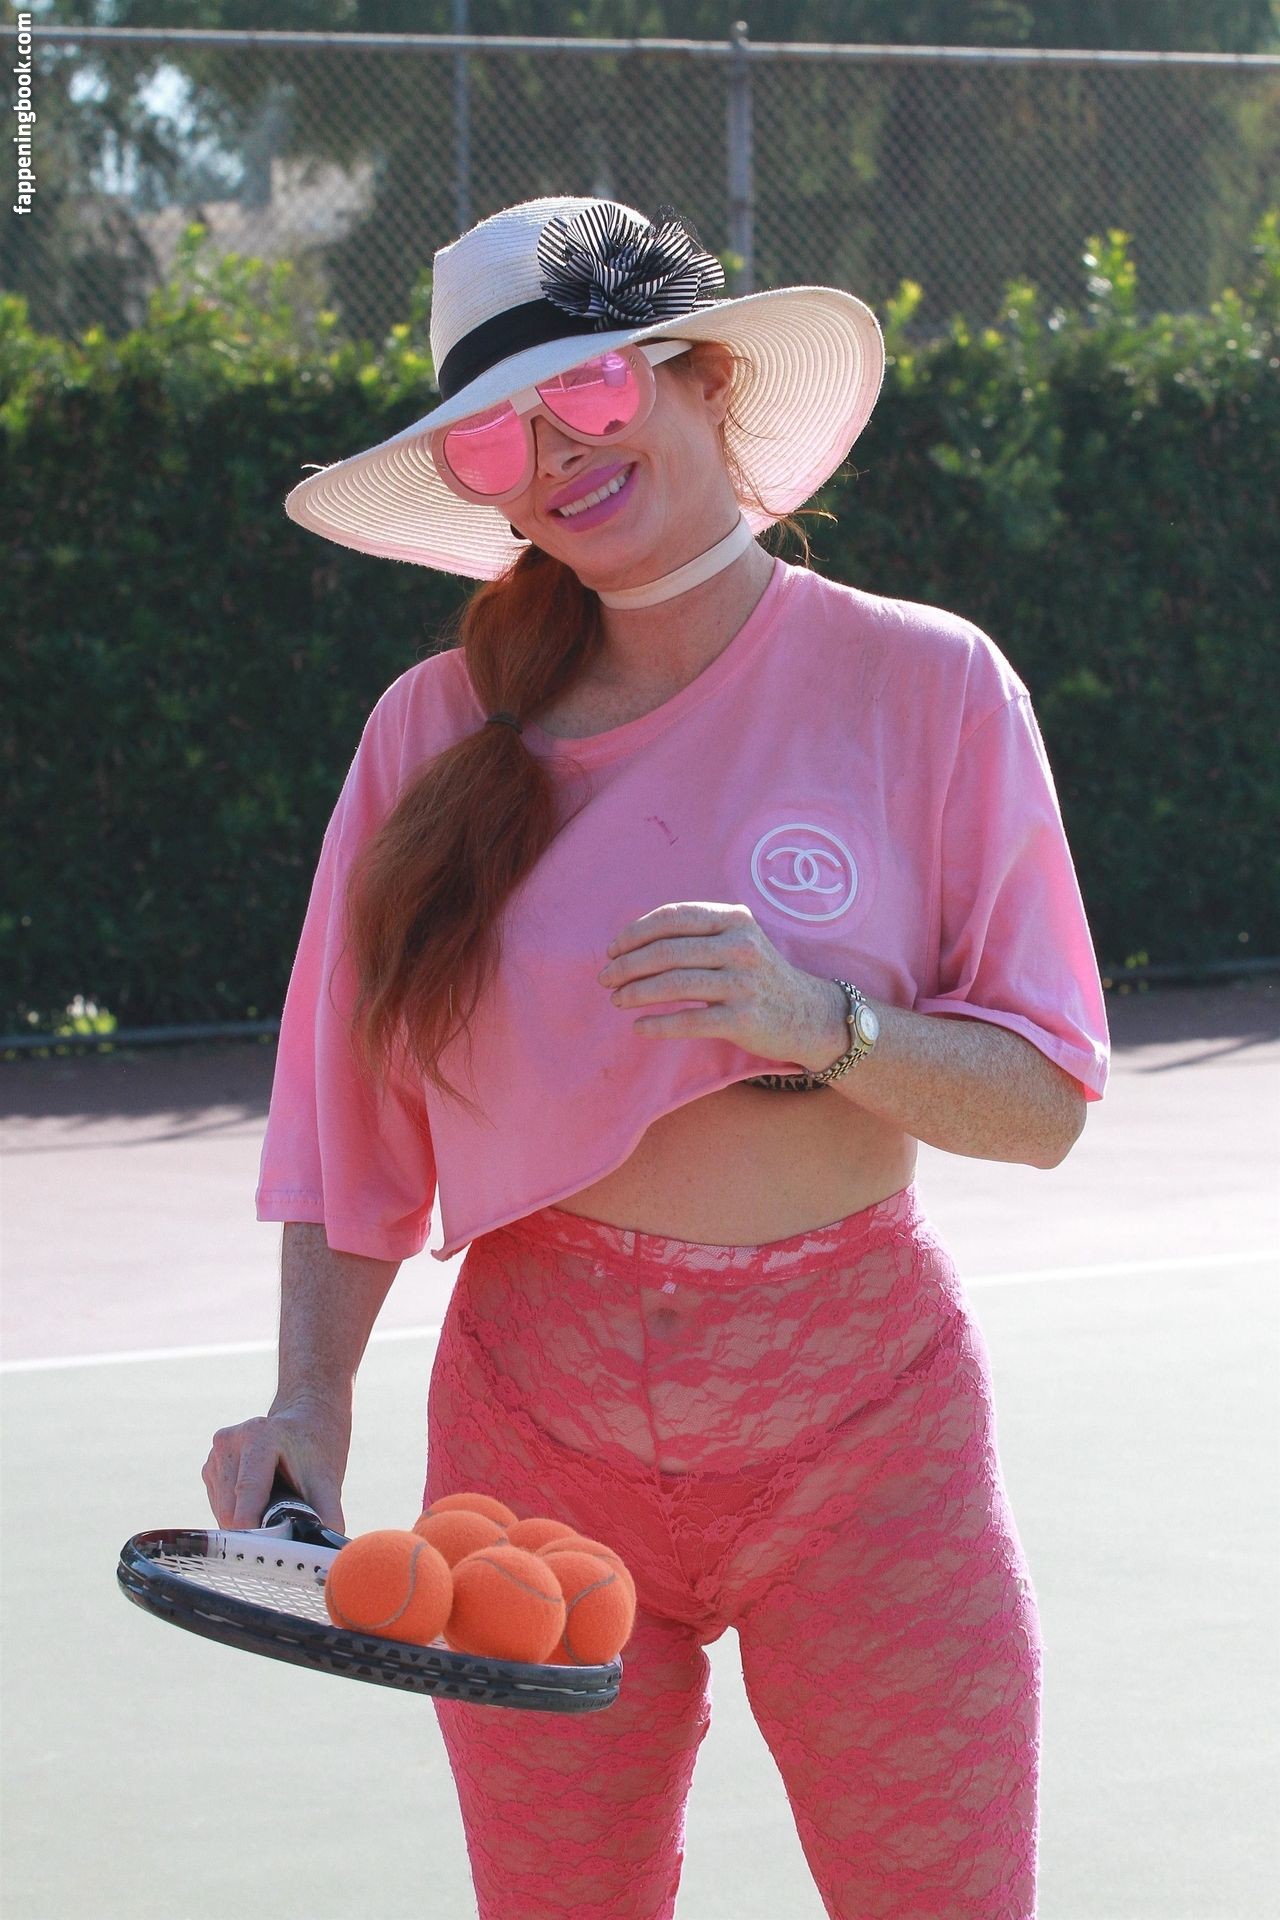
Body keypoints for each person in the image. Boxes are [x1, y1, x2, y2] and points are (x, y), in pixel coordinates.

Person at [204, 196, 1110, 1920]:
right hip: (528, 1449)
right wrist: (310, 1400)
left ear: (707, 381)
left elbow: (1046, 1101)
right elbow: (348, 1116)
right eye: (496, 437)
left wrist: (822, 1024)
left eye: (592, 391)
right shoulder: (429, 732)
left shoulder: (930, 685)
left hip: (870, 1438)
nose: (556, 455)